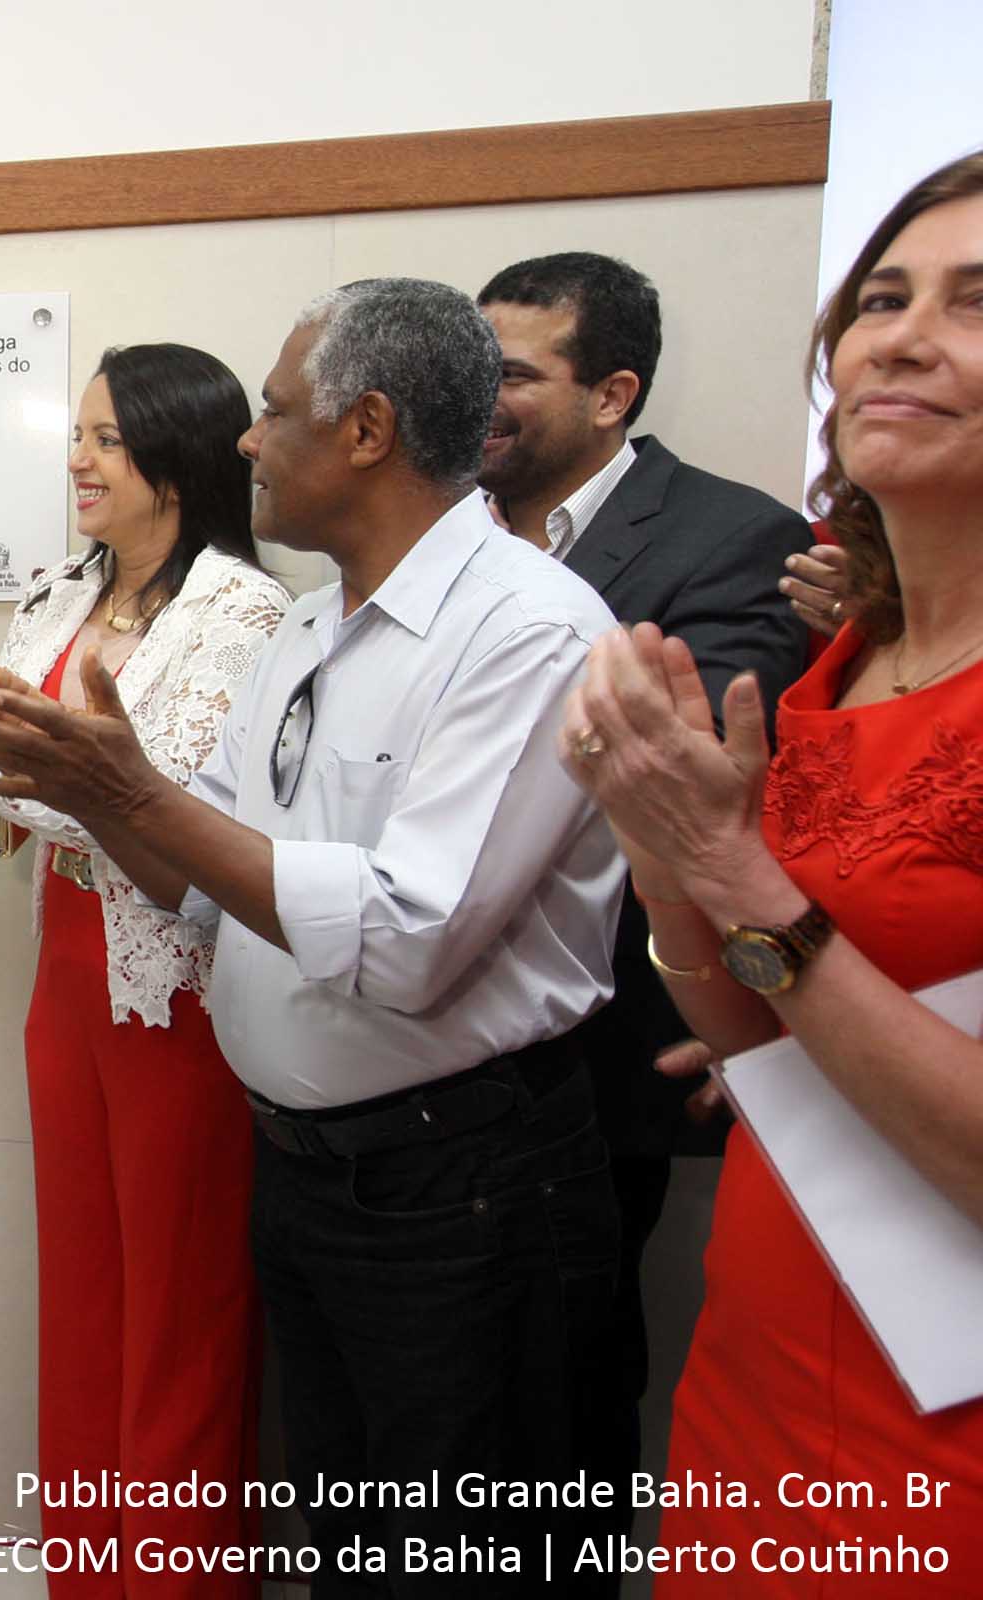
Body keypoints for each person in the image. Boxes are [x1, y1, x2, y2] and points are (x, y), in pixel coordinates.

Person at [0, 279, 625, 1597]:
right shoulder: (314, 624)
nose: (249, 442)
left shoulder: (527, 630)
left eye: (273, 410)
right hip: (312, 1174)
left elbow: (409, 937)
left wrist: (124, 794)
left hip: (463, 1191)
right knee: (350, 1543)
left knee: (455, 1556)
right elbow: (198, 878)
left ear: (366, 428)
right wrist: (94, 788)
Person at [559, 150, 983, 1597]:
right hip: (772, 1318)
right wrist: (667, 864)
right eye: (882, 297)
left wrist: (733, 877)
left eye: (977, 304)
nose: (904, 337)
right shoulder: (840, 666)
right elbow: (753, 1027)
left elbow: (785, 943)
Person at [0, 343, 285, 1598]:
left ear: (179, 456)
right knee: (89, 1292)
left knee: (184, 1307)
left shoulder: (246, 613)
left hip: (182, 994)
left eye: (106, 439)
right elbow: (10, 804)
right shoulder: (59, 591)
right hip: (65, 969)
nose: (79, 462)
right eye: (79, 436)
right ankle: (87, 1575)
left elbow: (166, 814)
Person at [474, 250, 810, 1550]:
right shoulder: (438, 529)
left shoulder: (736, 539)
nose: (480, 397)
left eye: (514, 372)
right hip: (416, 1045)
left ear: (613, 392)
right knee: (444, 1403)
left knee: (560, 1389)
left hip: (600, 1051)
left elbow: (676, 788)